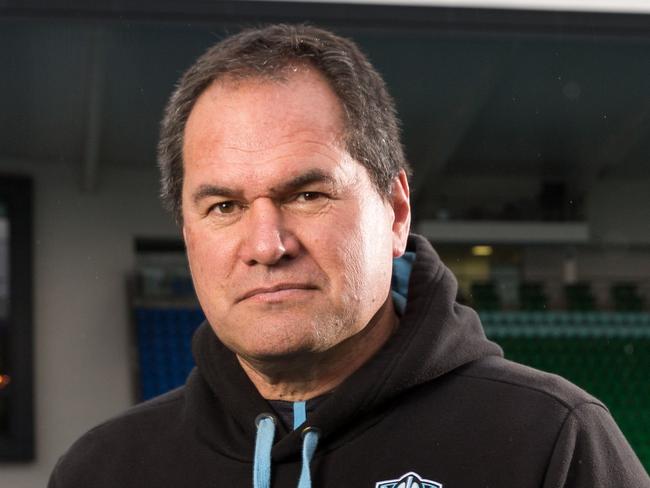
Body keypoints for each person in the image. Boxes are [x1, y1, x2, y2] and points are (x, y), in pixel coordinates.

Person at [49, 24, 649, 488]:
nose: (267, 246)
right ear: (187, 232)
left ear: (396, 210)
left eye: (308, 195)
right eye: (224, 207)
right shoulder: (104, 470)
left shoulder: (550, 443)